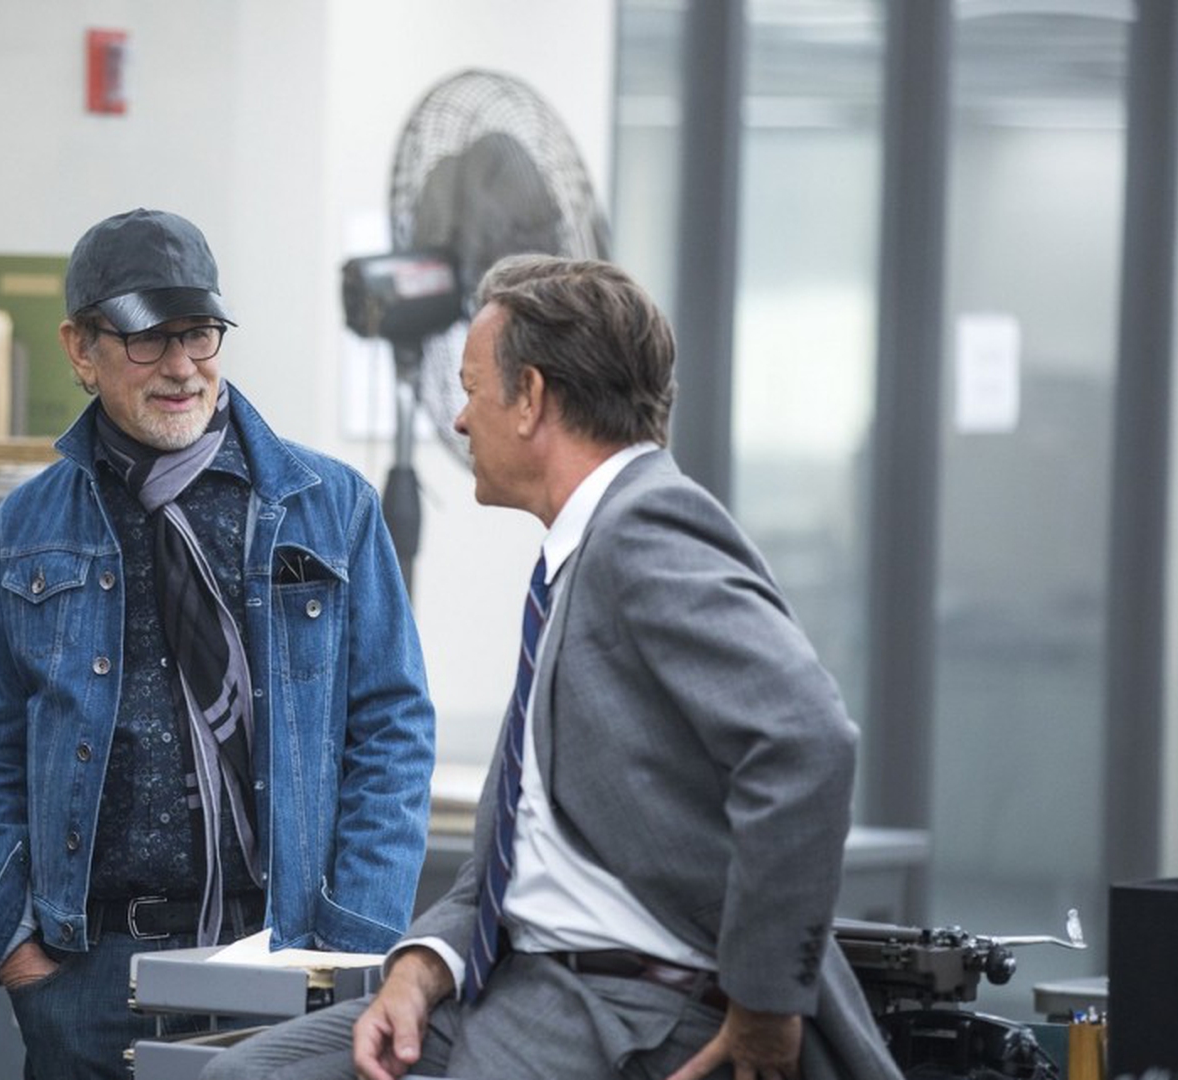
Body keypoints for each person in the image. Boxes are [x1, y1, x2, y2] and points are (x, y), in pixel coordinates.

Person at [201, 256, 901, 1080]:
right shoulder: (582, 552)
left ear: (529, 396)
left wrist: (764, 1006)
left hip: (617, 1009)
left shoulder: (645, 529)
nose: (459, 421)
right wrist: (423, 966)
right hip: (513, 983)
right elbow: (520, 847)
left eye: (471, 390)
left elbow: (807, 741)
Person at [0, 207, 438, 1078]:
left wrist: (356, 939)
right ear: (80, 348)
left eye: (200, 335)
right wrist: (19, 950)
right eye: (148, 341)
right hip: (91, 971)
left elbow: (392, 731)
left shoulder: (330, 507)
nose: (181, 367)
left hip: (289, 955)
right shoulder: (26, 527)